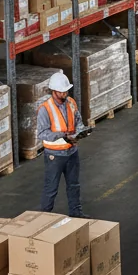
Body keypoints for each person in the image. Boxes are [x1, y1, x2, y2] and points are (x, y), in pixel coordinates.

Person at [38, 71, 84, 217]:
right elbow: (42, 133)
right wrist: (63, 136)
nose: (65, 94)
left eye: (66, 91)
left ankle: (76, 214)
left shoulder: (71, 103)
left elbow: (78, 122)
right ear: (54, 91)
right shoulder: (45, 109)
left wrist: (81, 132)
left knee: (74, 185)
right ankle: (44, 218)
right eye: (62, 92)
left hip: (71, 152)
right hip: (55, 155)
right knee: (51, 188)